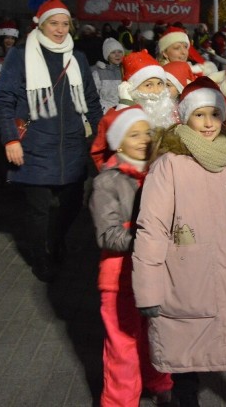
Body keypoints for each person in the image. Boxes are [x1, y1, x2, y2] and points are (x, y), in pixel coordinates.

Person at [132, 77, 226, 407]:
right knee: (184, 352)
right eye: (200, 115)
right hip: (188, 283)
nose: (208, 123)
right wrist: (149, 291)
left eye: (214, 113)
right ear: (184, 117)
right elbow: (151, 231)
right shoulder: (169, 166)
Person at [0, 0, 103, 282]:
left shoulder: (76, 57)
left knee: (72, 203)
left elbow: (91, 100)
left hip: (72, 145)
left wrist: (104, 135)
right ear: (40, 24)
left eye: (65, 24)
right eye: (54, 23)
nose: (60, 29)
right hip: (35, 145)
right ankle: (40, 256)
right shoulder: (20, 55)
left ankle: (57, 239)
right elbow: (3, 99)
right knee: (38, 210)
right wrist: (10, 140)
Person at [89, 105, 174, 407]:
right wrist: (148, 238)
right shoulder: (106, 181)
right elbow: (107, 234)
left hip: (153, 277)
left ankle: (159, 383)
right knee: (122, 346)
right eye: (133, 134)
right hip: (119, 280)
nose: (143, 139)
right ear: (117, 141)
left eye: (147, 132)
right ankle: (121, 401)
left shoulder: (160, 173)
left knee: (156, 335)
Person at [92, 38, 125, 112]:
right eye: (113, 52)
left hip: (124, 111)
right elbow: (93, 96)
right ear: (107, 55)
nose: (117, 55)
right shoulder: (99, 72)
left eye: (120, 52)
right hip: (106, 112)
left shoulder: (125, 71)